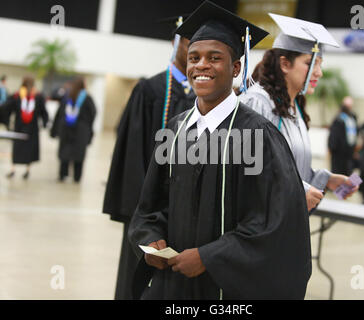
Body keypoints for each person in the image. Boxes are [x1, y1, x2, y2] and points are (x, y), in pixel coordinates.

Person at [128, 0, 311, 300]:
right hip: (173, 287)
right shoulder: (174, 132)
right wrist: (151, 240)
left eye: (215, 58)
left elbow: (272, 223)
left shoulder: (258, 136)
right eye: (195, 57)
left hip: (227, 292)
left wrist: (209, 257)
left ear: (236, 67)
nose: (201, 65)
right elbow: (150, 208)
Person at [102, 17, 196, 300]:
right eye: (190, 42)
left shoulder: (205, 97)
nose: (195, 52)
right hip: (149, 214)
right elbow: (132, 156)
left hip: (187, 214)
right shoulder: (150, 90)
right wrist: (141, 216)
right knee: (138, 280)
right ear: (175, 43)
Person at [240, 13, 358, 213]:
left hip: (285, 222)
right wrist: (298, 190)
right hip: (258, 226)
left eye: (320, 63)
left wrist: (326, 179)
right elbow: (247, 169)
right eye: (310, 63)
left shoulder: (294, 109)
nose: (318, 72)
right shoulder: (257, 102)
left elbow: (292, 169)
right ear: (285, 64)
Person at [50, 77, 96, 183]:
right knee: (78, 154)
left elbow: (59, 114)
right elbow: (93, 113)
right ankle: (77, 177)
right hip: (81, 130)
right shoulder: (87, 98)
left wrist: (55, 130)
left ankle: (62, 174)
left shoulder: (67, 97)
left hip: (66, 129)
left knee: (65, 152)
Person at [1, 76, 48, 179]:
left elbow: (5, 108)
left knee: (19, 149)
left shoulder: (19, 95)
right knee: (26, 149)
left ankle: (13, 169)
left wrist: (7, 122)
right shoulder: (35, 96)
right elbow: (44, 112)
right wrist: (44, 123)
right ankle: (27, 170)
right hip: (29, 128)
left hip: (21, 127)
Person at [328, 96, 358, 175]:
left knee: (340, 174)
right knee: (348, 173)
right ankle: (353, 186)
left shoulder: (340, 119)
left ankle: (352, 186)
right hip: (346, 151)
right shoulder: (350, 118)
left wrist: (331, 148)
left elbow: (333, 137)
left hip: (341, 153)